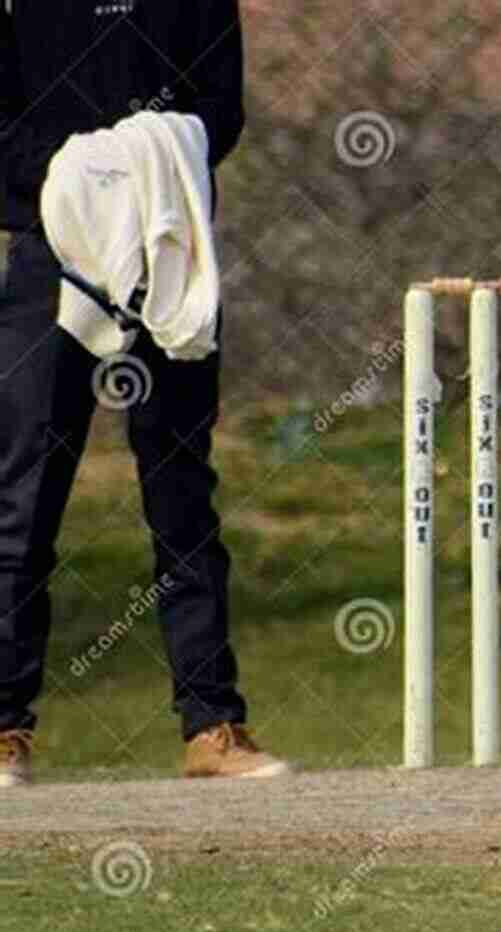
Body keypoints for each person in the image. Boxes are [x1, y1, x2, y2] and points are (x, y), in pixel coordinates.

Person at [0, 0, 287, 785]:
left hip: (169, 247)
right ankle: (3, 728)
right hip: (52, 254)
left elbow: (218, 112)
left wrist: (142, 171)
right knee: (24, 493)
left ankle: (213, 724)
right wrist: (80, 184)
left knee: (181, 484)